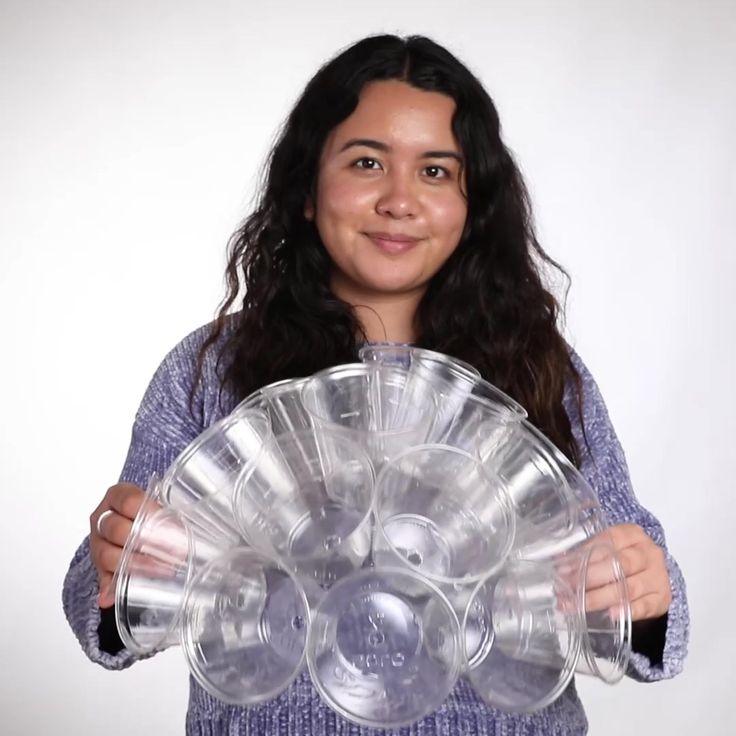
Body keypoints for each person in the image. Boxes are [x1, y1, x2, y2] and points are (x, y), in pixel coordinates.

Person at [62, 34, 689, 735]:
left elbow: (652, 611)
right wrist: (123, 566)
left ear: (471, 204)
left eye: (436, 172)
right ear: (306, 190)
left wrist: (639, 589)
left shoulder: (539, 369)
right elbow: (100, 608)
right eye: (366, 162)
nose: (399, 200)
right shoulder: (213, 367)